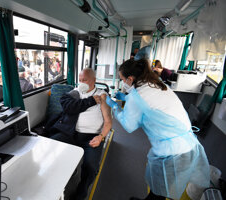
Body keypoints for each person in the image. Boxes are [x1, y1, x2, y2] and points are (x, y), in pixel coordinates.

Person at [106, 59, 210, 200]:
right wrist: (126, 97)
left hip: (172, 152)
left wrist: (113, 105)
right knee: (161, 188)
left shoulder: (137, 98)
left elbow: (128, 125)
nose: (122, 83)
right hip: (188, 144)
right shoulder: (157, 85)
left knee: (160, 191)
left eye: (122, 79)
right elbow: (151, 105)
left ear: (130, 79)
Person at [50, 68, 112, 200]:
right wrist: (90, 101)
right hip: (71, 133)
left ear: (94, 80)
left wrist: (101, 137)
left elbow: (108, 122)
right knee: (52, 146)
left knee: (91, 166)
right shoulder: (75, 93)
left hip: (92, 136)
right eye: (80, 80)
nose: (81, 83)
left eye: (85, 80)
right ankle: (62, 178)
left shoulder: (102, 95)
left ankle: (82, 191)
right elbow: (67, 106)